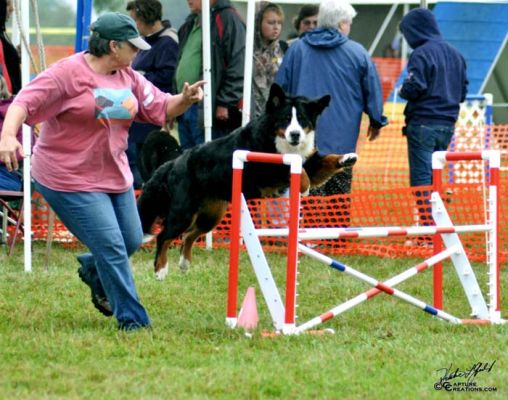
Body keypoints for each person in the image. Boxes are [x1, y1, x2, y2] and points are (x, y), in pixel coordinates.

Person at [0, 12, 204, 331]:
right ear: (112, 46)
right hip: (66, 176)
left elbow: (162, 106)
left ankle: (95, 271)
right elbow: (22, 103)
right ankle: (133, 320)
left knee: (131, 239)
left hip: (112, 174)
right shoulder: (67, 73)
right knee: (110, 244)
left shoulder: (128, 76)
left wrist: (186, 99)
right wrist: (8, 136)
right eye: (132, 47)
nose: (137, 53)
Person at [276, 0, 387, 197]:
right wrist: (376, 121)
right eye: (349, 24)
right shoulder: (358, 52)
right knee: (339, 201)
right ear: (342, 24)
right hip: (342, 142)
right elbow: (372, 89)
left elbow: (280, 89)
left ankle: (309, 227)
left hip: (305, 141)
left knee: (307, 196)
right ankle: (338, 227)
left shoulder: (297, 50)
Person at [399, 7, 468, 189]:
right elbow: (462, 93)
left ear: (415, 30)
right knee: (435, 177)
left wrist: (402, 91)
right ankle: (435, 216)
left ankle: (426, 217)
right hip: (447, 125)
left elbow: (414, 87)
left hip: (423, 123)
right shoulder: (456, 54)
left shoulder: (421, 53)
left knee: (422, 182)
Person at [175, 0, 245, 150]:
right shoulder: (190, 23)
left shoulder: (227, 18)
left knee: (206, 164)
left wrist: (224, 102)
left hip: (209, 108)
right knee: (187, 164)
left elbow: (239, 65)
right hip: (185, 104)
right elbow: (180, 62)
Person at [126, 0, 179, 188]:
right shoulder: (147, 42)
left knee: (140, 165)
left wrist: (142, 77)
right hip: (138, 113)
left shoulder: (167, 42)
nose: (135, 26)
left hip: (151, 116)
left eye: (136, 21)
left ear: (147, 17)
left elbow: (168, 76)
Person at [252, 2, 287, 118]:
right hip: (250, 112)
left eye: (279, 23)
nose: (276, 27)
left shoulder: (283, 48)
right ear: (259, 23)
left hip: (275, 112)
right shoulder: (247, 48)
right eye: (271, 23)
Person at [0, 0, 20, 94]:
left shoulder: (2, 36)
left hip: (8, 103)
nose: (12, 9)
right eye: (7, 4)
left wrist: (16, 57)